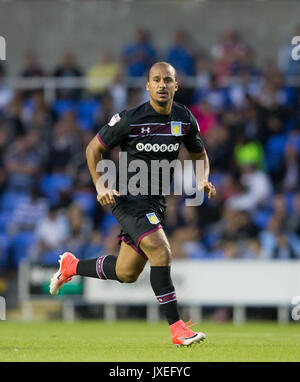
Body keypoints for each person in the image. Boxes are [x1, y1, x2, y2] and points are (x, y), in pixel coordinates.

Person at [49, 62, 216, 346]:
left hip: (156, 203)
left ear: (177, 85)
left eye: (168, 80)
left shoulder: (185, 119)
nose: (162, 85)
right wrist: (101, 184)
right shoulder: (130, 118)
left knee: (127, 272)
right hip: (128, 198)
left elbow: (200, 154)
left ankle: (71, 266)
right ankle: (177, 328)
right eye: (156, 80)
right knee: (161, 250)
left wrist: (203, 179)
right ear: (147, 86)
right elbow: (94, 148)